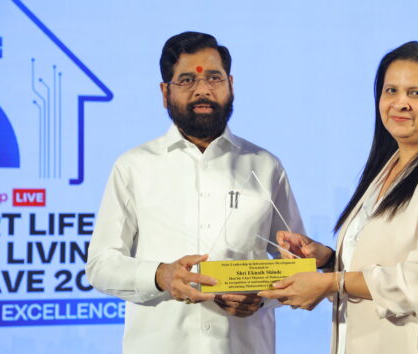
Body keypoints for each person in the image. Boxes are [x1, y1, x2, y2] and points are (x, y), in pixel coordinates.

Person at [259, 41, 418, 354]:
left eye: (416, 93)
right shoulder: (388, 168)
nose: (400, 103)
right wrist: (326, 260)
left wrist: (332, 283)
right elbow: (386, 261)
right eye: (391, 91)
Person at [86, 31, 304, 354]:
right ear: (164, 92)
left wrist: (263, 300)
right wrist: (160, 276)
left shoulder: (266, 166)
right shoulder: (132, 167)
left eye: (214, 78)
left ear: (230, 85)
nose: (203, 90)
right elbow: (100, 265)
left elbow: (297, 264)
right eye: (187, 80)